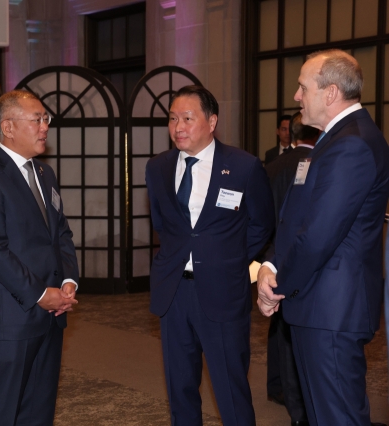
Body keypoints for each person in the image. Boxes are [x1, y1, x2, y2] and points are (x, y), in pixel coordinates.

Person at [257, 49, 389, 426]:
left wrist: (277, 286)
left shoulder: (352, 145)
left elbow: (318, 237)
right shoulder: (336, 140)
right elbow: (298, 217)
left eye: (303, 87)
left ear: (330, 93)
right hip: (319, 305)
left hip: (331, 311)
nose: (297, 97)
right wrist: (270, 263)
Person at [145, 85, 275, 426]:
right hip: (173, 292)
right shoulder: (157, 167)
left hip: (223, 291)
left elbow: (262, 224)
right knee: (180, 387)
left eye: (188, 118)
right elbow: (163, 223)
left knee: (230, 388)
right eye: (173, 119)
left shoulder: (244, 166)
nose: (178, 127)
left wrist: (228, 259)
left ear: (212, 121)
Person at [0, 89, 79, 425]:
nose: (44, 127)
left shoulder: (45, 174)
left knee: (40, 408)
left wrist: (68, 281)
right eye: (37, 119)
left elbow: (61, 235)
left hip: (53, 313)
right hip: (13, 315)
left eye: (46, 119)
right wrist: (42, 294)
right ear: (8, 127)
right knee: (5, 409)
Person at [263, 111, 318, 426]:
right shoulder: (315, 166)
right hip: (300, 258)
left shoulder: (271, 168)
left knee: (275, 324)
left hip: (272, 256)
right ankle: (300, 408)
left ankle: (276, 386)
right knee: (295, 329)